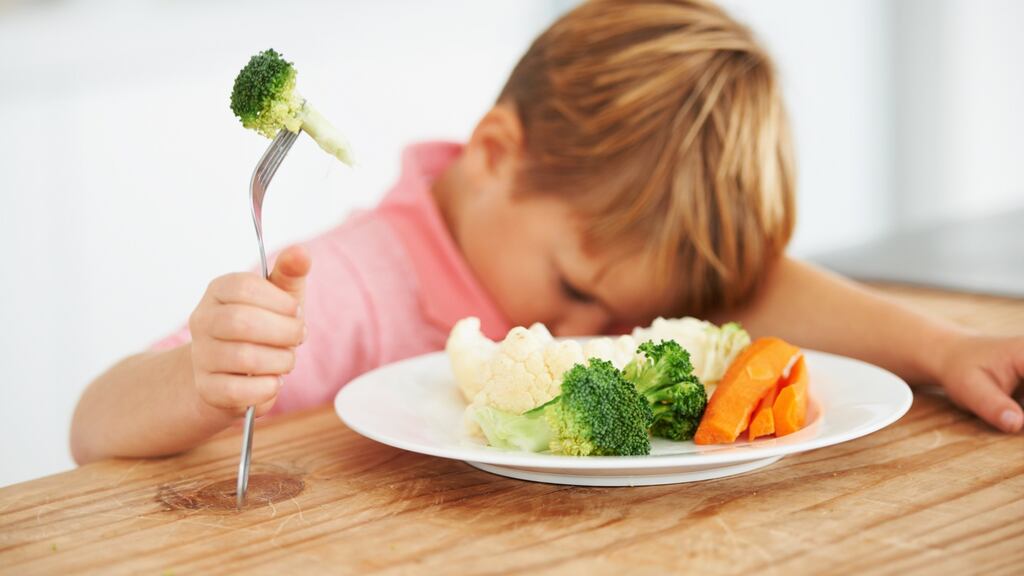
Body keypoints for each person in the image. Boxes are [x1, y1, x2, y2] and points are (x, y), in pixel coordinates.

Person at [70, 0, 1023, 464]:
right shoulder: (354, 287)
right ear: (495, 151)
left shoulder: (601, 250)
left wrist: (944, 347)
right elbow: (93, 429)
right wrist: (201, 378)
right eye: (577, 289)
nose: (590, 324)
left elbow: (755, 289)